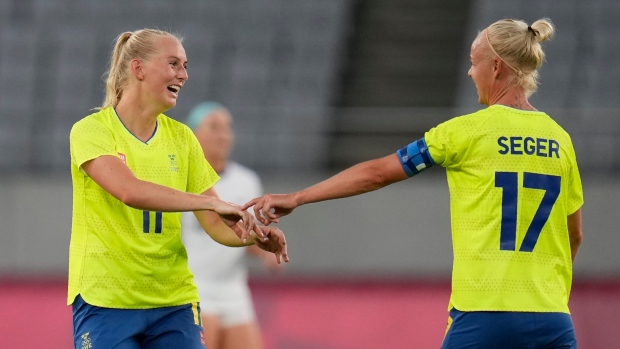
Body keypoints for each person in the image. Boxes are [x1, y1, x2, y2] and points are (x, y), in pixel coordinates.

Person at [245, 18, 583, 349]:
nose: (469, 73)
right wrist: (548, 295)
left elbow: (378, 172)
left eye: (473, 63)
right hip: (552, 319)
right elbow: (574, 235)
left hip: (486, 311)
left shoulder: (465, 132)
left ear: (495, 67)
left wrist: (299, 197)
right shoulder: (561, 140)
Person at [67, 29, 288, 349]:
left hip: (173, 301)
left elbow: (217, 225)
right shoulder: (91, 131)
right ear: (138, 68)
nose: (183, 75)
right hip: (106, 300)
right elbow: (129, 190)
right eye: (173, 64)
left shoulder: (182, 139)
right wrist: (209, 203)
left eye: (185, 66)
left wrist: (258, 237)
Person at [182, 102, 281, 349]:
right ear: (193, 134)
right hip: (195, 286)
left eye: (227, 128)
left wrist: (266, 250)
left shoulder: (246, 181)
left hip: (233, 289)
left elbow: (247, 237)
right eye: (214, 127)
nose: (223, 135)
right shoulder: (181, 179)